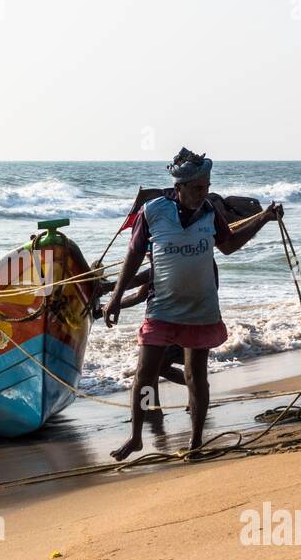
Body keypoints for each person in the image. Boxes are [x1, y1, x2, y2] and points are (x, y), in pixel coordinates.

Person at [103, 148, 283, 460]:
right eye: (198, 188)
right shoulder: (153, 211)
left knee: (195, 375)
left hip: (201, 307)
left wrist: (265, 219)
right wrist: (115, 298)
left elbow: (228, 246)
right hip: (161, 307)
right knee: (144, 374)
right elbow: (133, 257)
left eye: (207, 187)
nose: (204, 193)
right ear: (180, 188)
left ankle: (196, 443)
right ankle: (135, 437)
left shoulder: (211, 213)